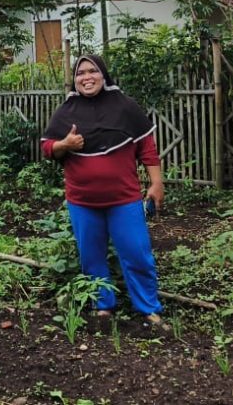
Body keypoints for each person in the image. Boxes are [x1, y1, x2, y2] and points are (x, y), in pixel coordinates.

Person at [41, 54, 166, 324]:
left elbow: (146, 147)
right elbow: (48, 148)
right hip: (82, 201)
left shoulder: (125, 107)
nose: (86, 77)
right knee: (92, 256)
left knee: (137, 253)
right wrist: (65, 145)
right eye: (80, 73)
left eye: (92, 71)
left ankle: (148, 308)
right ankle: (103, 305)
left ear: (103, 75)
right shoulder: (66, 111)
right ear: (74, 80)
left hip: (124, 199)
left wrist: (156, 182)